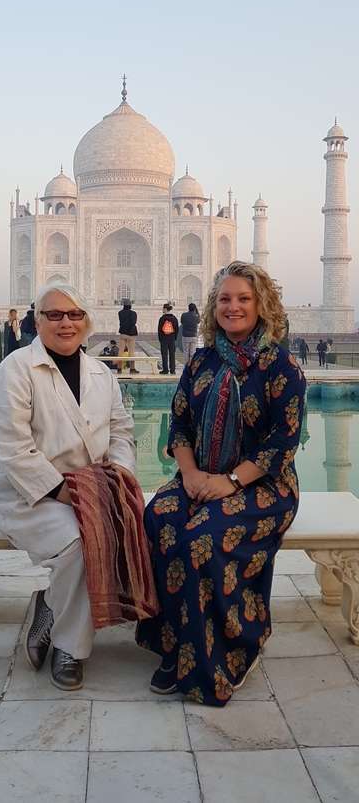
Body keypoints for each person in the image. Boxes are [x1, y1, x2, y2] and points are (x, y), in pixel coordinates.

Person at [137, 260, 305, 706]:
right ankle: (176, 644)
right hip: (201, 474)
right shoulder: (202, 360)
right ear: (214, 307)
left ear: (261, 305)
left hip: (262, 485)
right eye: (225, 299)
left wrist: (230, 481)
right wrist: (190, 474)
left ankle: (232, 647)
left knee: (204, 537)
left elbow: (281, 444)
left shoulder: (281, 366)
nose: (233, 307)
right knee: (160, 518)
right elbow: (179, 425)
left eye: (243, 299)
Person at [0, 282, 137, 691]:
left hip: (91, 487)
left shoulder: (101, 373)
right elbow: (12, 449)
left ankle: (51, 605)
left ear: (86, 322)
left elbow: (121, 432)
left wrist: (119, 479)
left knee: (127, 529)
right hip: (24, 493)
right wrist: (73, 495)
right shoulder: (14, 370)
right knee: (78, 541)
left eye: (74, 315)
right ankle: (70, 646)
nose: (65, 323)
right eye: (54, 315)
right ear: (37, 321)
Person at [117, 299, 139, 373]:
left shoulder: (120, 313)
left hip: (122, 333)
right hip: (131, 334)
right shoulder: (133, 313)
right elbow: (133, 322)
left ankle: (119, 368)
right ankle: (132, 369)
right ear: (130, 306)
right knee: (131, 352)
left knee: (120, 351)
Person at [158, 303, 179, 375]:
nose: (162, 309)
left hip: (164, 339)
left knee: (164, 354)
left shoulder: (162, 319)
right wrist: (174, 337)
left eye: (163, 308)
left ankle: (165, 370)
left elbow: (160, 330)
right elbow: (177, 329)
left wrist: (160, 338)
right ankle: (172, 370)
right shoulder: (174, 318)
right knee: (172, 354)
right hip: (172, 338)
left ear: (165, 309)